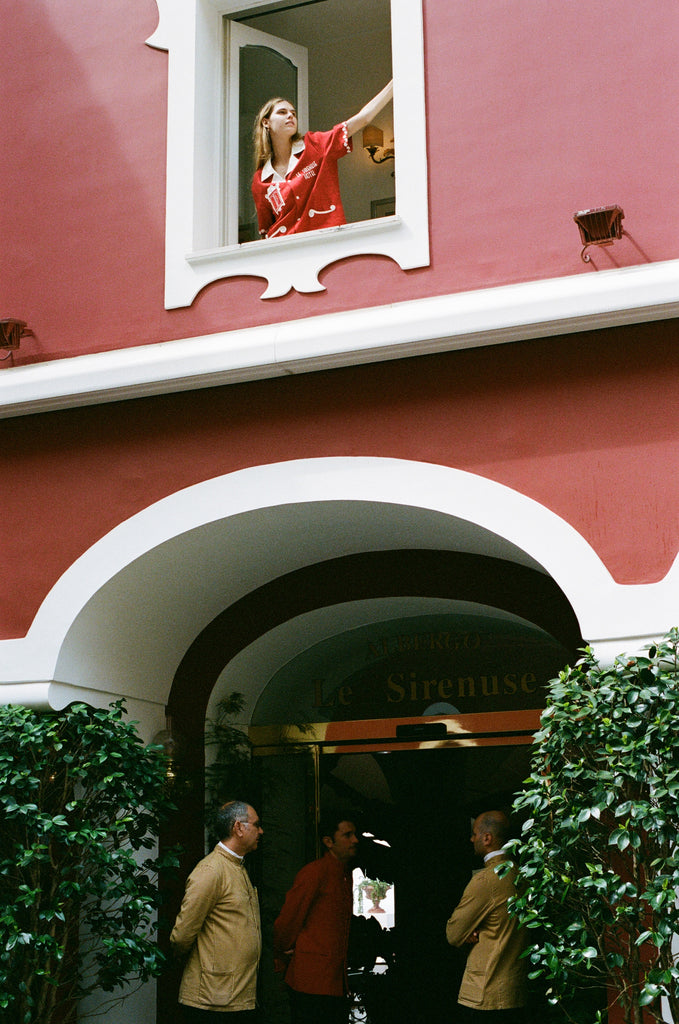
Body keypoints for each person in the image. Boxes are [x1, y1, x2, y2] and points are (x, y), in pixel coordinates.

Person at [251, 81, 393, 239]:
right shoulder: (260, 180)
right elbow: (265, 232)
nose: (290, 115)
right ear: (266, 122)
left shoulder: (315, 145)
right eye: (282, 112)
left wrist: (396, 82)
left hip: (326, 240)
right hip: (286, 252)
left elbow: (363, 118)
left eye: (293, 113)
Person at [170, 800, 264, 1023]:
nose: (261, 831)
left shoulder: (237, 866)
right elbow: (181, 936)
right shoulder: (211, 870)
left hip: (235, 997)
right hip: (213, 1001)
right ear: (238, 828)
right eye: (256, 825)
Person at [273, 814, 360, 1024]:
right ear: (328, 842)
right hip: (311, 982)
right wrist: (282, 951)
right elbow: (289, 919)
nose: (355, 840)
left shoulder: (344, 874)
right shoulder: (314, 873)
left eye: (354, 834)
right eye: (347, 835)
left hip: (332, 981)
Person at [446, 810, 527, 1024]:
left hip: (486, 992)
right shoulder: (521, 875)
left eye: (474, 834)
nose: (471, 839)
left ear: (487, 838)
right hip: (516, 991)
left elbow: (453, 934)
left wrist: (471, 930)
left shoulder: (486, 880)